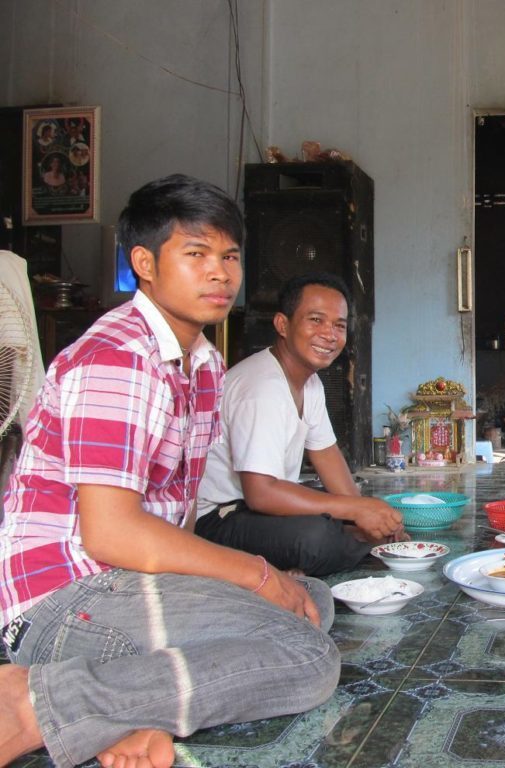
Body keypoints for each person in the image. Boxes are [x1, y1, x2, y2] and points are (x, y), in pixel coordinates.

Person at [0, 175, 340, 768]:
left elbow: (173, 516)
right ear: (145, 264)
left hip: (129, 584)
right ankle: (34, 704)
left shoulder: (202, 363)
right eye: (196, 254)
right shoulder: (118, 358)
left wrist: (254, 584)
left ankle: (119, 712)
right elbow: (112, 534)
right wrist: (255, 575)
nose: (220, 273)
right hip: (65, 599)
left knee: (310, 598)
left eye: (229, 256)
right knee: (308, 657)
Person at [195, 272, 404, 576]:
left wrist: (369, 518)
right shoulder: (261, 387)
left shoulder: (311, 384)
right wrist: (356, 511)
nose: (329, 335)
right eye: (316, 320)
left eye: (339, 325)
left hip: (258, 514)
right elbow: (261, 493)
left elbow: (327, 455)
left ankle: (338, 550)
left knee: (341, 519)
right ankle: (339, 553)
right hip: (220, 519)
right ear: (283, 325)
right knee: (314, 537)